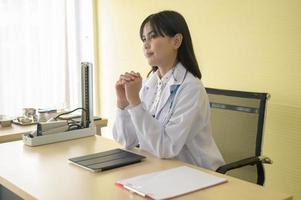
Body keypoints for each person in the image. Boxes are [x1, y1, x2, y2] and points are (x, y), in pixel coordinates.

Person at [113, 10, 224, 170]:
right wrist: (123, 103)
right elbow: (126, 140)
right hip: (160, 169)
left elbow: (166, 148)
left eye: (153, 36)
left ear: (176, 41)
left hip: (197, 174)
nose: (146, 44)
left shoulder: (191, 88)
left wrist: (136, 103)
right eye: (144, 39)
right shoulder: (151, 84)